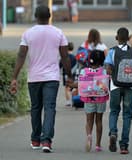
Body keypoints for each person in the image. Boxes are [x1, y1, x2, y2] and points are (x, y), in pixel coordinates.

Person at [9, 5, 72, 153]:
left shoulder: (28, 33)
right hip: (52, 77)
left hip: (34, 77)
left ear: (36, 16)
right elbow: (65, 56)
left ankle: (35, 139)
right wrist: (69, 76)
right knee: (50, 108)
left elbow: (21, 55)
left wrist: (14, 77)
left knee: (36, 108)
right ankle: (46, 141)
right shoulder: (58, 33)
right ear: (49, 16)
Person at [104, 27, 132, 154]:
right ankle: (124, 145)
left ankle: (113, 132)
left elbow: (108, 68)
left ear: (116, 38)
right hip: (130, 86)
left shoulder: (112, 51)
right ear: (129, 38)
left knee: (114, 111)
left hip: (115, 86)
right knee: (127, 115)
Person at [69, 50, 107, 152]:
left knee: (89, 120)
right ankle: (98, 145)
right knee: (99, 121)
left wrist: (70, 85)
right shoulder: (104, 71)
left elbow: (79, 84)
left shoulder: (84, 71)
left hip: (88, 98)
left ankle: (89, 135)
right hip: (100, 98)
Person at [60, 42, 77, 106]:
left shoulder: (64, 57)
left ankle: (68, 101)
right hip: (73, 74)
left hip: (66, 74)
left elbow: (60, 65)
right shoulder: (75, 57)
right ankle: (74, 99)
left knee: (67, 88)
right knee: (74, 86)